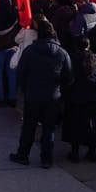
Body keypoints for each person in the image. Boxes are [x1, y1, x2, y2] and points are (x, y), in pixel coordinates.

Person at [10, 18, 73, 168]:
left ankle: (23, 155)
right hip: (52, 96)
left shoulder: (30, 51)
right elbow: (69, 77)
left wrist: (25, 89)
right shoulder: (62, 53)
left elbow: (21, 74)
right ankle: (46, 159)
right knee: (48, 128)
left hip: (33, 94)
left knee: (29, 126)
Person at [60, 36, 96, 163]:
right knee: (92, 125)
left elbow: (66, 77)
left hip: (75, 97)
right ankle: (92, 152)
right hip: (91, 98)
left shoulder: (72, 59)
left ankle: (75, 152)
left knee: (74, 125)